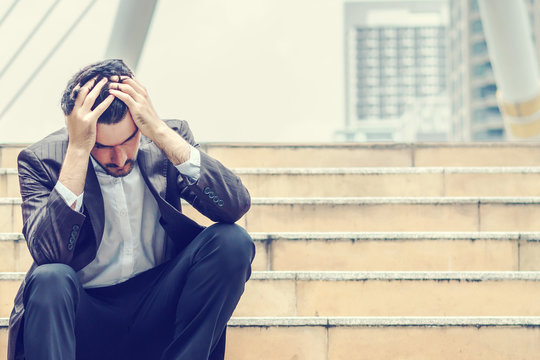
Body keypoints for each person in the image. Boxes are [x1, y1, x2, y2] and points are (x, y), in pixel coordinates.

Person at [7, 59, 255, 360]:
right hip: (83, 321)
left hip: (158, 309)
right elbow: (49, 255)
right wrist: (78, 151)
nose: (120, 156)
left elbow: (234, 205)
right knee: (49, 278)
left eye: (129, 139)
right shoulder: (40, 160)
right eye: (102, 146)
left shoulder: (166, 138)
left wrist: (158, 131)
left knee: (232, 242)